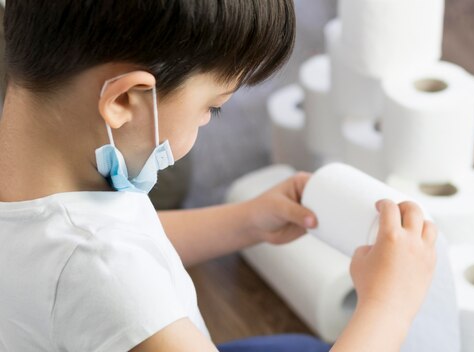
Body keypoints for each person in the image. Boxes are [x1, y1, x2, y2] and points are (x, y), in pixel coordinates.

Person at [0, 1, 438, 351]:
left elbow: (112, 238)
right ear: (124, 100)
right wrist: (389, 304)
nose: (208, 120)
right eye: (212, 107)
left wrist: (244, 220)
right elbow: (103, 265)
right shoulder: (105, 277)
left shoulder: (41, 177)